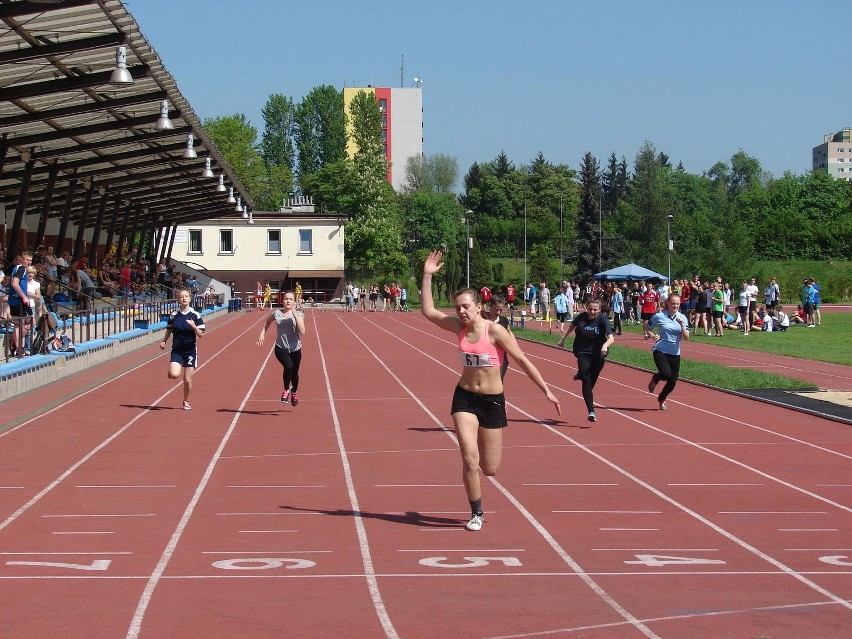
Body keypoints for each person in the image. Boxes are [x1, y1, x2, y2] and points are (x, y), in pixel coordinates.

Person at [420, 251, 560, 532]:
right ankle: (476, 512)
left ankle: (481, 483)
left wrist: (546, 391)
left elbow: (521, 359)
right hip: (464, 397)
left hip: (493, 401)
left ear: (479, 307)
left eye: (466, 306)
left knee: (490, 468)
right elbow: (429, 311)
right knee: (469, 457)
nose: (461, 311)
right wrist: (427, 274)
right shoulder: (457, 327)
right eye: (458, 306)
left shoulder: (494, 332)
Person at [557, 297, 614, 423]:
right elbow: (572, 326)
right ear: (586, 308)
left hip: (599, 354)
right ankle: (591, 411)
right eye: (590, 309)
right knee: (586, 380)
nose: (592, 312)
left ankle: (580, 374)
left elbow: (611, 338)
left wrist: (605, 345)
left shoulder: (603, 319)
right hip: (583, 351)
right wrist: (563, 338)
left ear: (599, 309)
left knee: (590, 383)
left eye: (595, 310)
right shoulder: (581, 317)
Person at [257, 290, 306, 407]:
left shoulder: (299, 314)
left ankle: (294, 392)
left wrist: (294, 314)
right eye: (285, 299)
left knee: (294, 372)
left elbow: (303, 331)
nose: (288, 301)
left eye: (290, 299)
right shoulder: (276, 313)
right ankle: (286, 390)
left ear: (294, 301)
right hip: (281, 347)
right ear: (282, 301)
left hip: (295, 348)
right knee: (288, 366)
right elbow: (267, 322)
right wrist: (262, 334)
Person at [160, 288, 205, 410]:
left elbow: (201, 335)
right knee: (174, 375)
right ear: (178, 299)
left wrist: (194, 327)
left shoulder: (195, 315)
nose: (184, 298)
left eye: (186, 296)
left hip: (190, 350)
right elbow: (169, 329)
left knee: (187, 379)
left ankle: (186, 400)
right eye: (181, 296)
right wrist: (164, 341)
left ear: (190, 299)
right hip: (177, 349)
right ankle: (171, 372)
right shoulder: (174, 315)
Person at [646, 293, 690, 410]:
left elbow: (687, 338)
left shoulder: (683, 318)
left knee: (672, 382)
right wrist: (651, 334)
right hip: (661, 349)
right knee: (665, 374)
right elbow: (648, 326)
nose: (675, 306)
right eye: (673, 303)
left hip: (675, 353)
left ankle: (662, 398)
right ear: (668, 304)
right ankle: (655, 379)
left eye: (677, 304)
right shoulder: (660, 316)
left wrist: (682, 326)